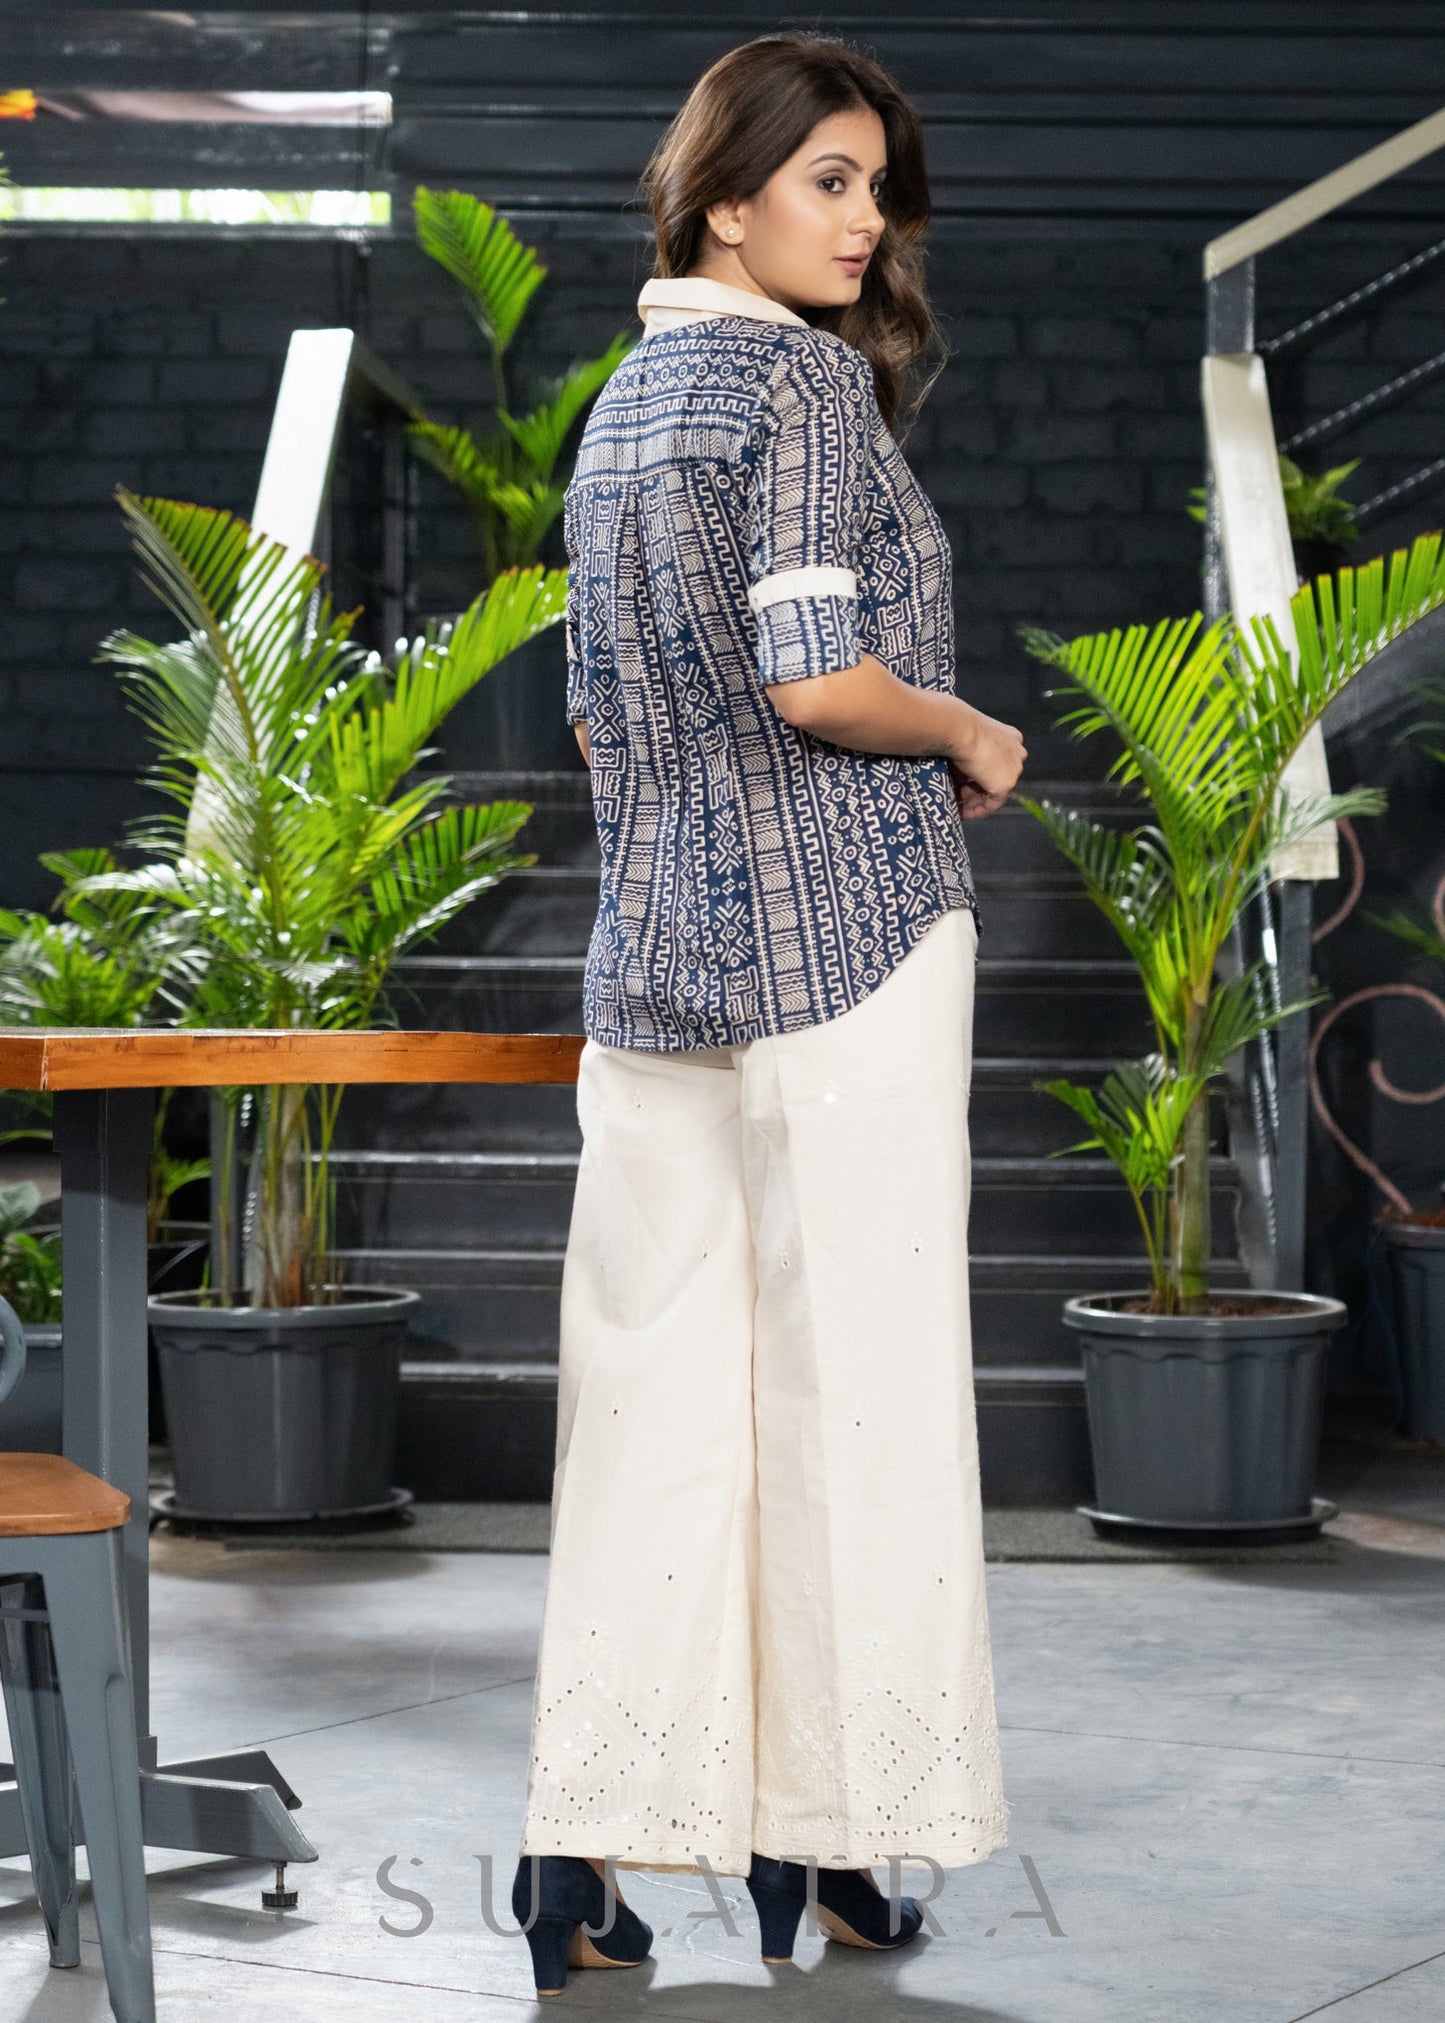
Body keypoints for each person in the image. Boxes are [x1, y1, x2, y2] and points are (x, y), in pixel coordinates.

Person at [511, 29, 1027, 1997]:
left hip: (653, 975)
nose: (863, 215)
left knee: (647, 1423)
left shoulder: (627, 408)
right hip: (855, 960)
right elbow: (822, 676)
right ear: (723, 195)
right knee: (856, 1410)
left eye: (876, 184)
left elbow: (587, 711)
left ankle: (586, 1864)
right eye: (827, 178)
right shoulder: (803, 387)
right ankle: (829, 1845)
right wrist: (971, 730)